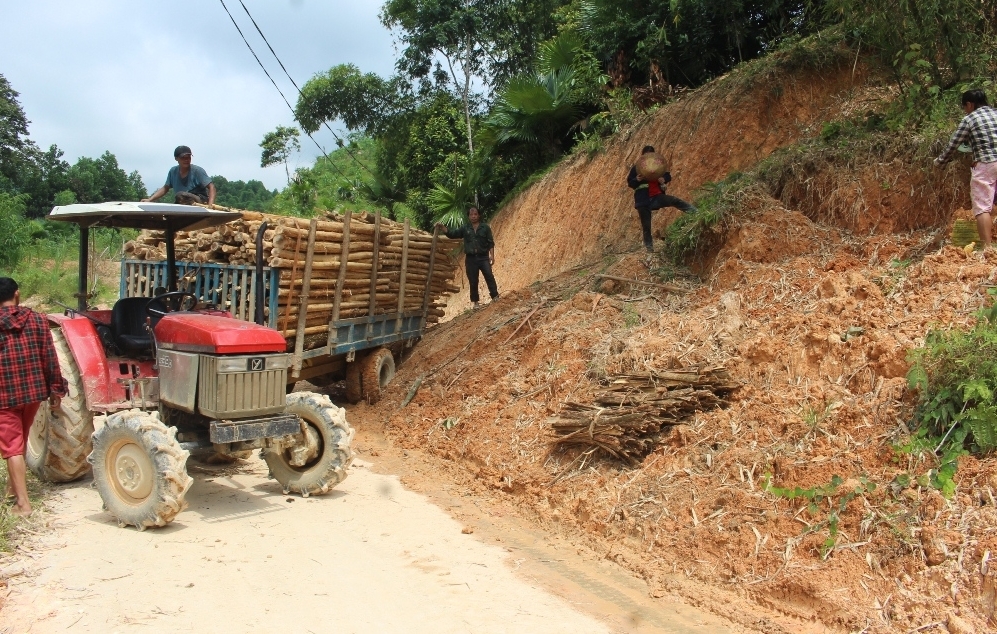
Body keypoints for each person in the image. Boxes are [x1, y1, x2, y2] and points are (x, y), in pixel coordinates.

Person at [0, 278, 67, 517]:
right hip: (33, 393)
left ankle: (23, 504)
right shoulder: (38, 320)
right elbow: (50, 357)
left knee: (12, 448)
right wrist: (56, 389)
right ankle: (11, 488)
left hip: (4, 396)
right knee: (20, 439)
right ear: (17, 294)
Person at [935, 89, 997, 250]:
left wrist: (940, 162)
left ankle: (988, 250)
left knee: (983, 208)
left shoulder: (970, 119)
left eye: (965, 107)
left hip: (986, 164)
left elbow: (953, 145)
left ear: (969, 104)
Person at [627, 145, 696, 252]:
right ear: (642, 157)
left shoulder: (658, 166)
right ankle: (650, 250)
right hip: (643, 201)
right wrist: (637, 179)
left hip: (656, 197)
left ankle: (695, 212)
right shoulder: (636, 168)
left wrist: (663, 179)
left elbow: (668, 175)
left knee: (673, 200)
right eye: (646, 155)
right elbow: (630, 183)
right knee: (646, 227)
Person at [437, 207, 499, 308]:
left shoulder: (485, 228)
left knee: (489, 276)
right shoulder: (465, 228)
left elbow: (490, 242)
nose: (473, 216)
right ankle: (475, 302)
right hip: (471, 259)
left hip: (483, 257)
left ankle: (495, 296)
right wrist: (443, 228)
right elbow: (453, 234)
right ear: (469, 216)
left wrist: (492, 255)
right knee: (473, 280)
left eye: (475, 214)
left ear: (479, 215)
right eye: (471, 214)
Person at [143, 145, 216, 205]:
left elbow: (211, 187)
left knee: (180, 195)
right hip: (182, 201)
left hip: (199, 200)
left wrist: (210, 205)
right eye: (183, 158)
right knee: (178, 200)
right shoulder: (173, 171)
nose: (186, 160)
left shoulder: (197, 171)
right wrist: (150, 199)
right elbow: (165, 188)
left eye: (188, 157)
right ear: (176, 158)